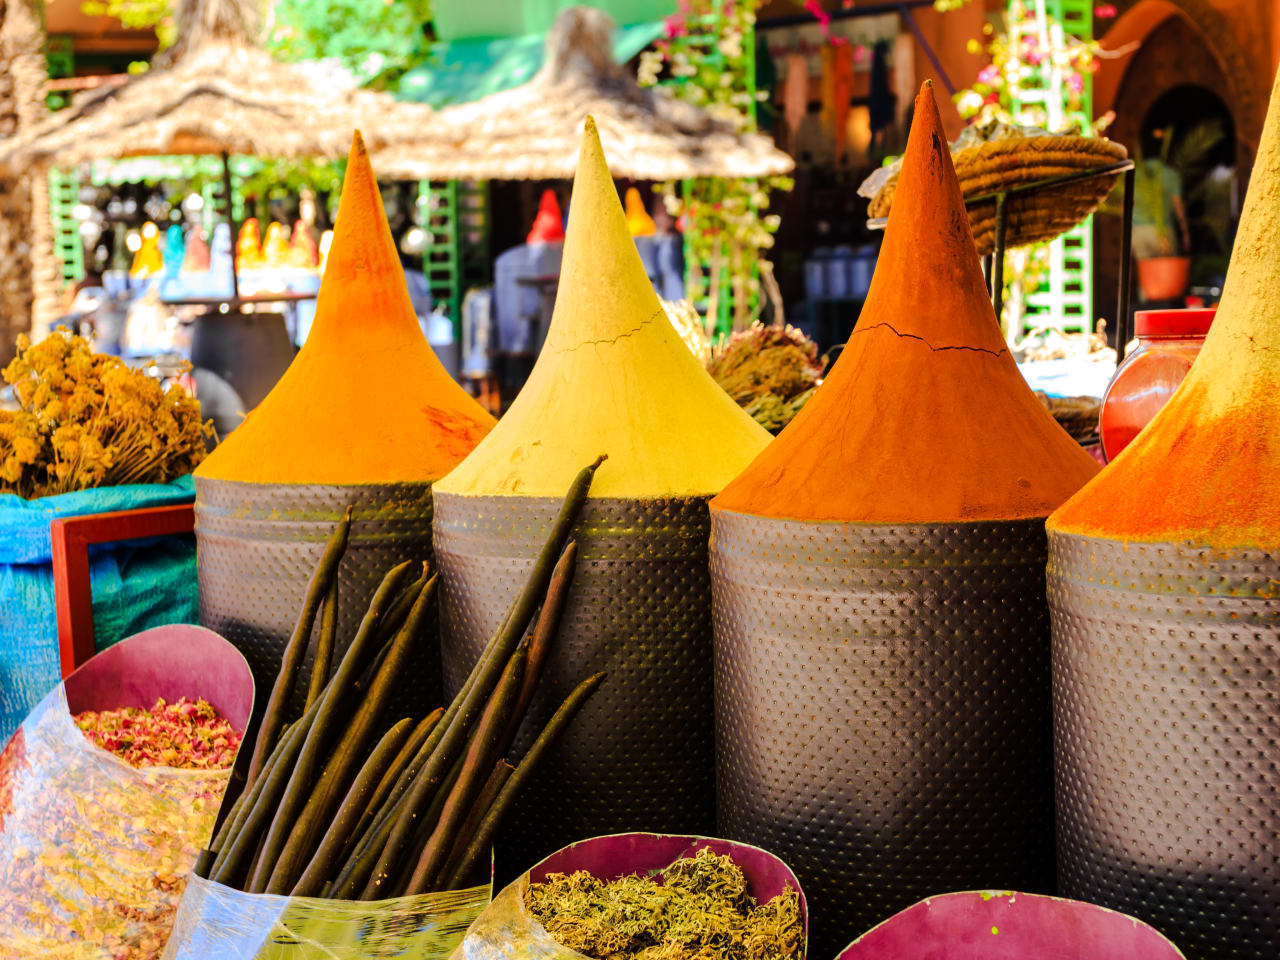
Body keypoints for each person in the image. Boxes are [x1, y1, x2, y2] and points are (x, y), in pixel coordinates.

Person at [1132, 154, 1190, 258]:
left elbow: (1125, 206)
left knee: (1146, 272)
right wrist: (1185, 232)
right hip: (1163, 232)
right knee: (1166, 271)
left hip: (1139, 231)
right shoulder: (1170, 174)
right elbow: (1178, 205)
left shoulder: (1135, 173)